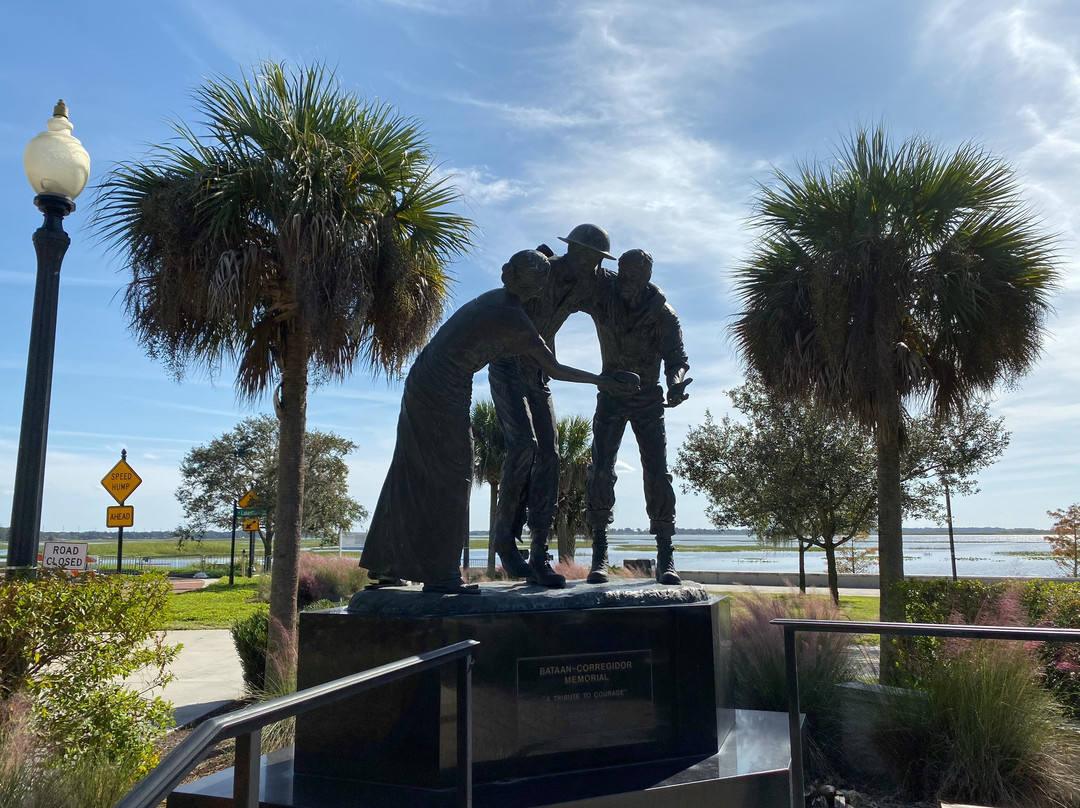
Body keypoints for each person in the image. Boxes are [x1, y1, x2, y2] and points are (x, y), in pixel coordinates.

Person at [360, 250, 637, 594]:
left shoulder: (498, 299)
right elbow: (554, 369)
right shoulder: (512, 317)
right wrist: (604, 381)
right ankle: (442, 574)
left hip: (431, 380)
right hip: (440, 388)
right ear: (521, 281)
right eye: (537, 283)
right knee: (456, 473)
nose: (541, 290)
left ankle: (386, 566)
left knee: (412, 467)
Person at [488, 224, 616, 588]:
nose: (591, 266)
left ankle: (539, 550)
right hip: (508, 363)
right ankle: (503, 539)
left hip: (540, 373)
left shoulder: (588, 282)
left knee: (552, 455)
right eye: (587, 257)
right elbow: (507, 292)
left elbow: (617, 294)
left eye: (596, 261)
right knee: (524, 446)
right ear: (572, 251)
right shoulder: (542, 268)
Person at [584, 249, 691, 585]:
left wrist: (675, 386)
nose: (627, 279)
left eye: (634, 274)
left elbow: (677, 359)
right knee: (600, 470)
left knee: (657, 473)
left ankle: (665, 555)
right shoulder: (605, 296)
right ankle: (599, 554)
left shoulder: (664, 315)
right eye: (623, 272)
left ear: (647, 274)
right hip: (611, 396)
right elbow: (581, 267)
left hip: (648, 399)